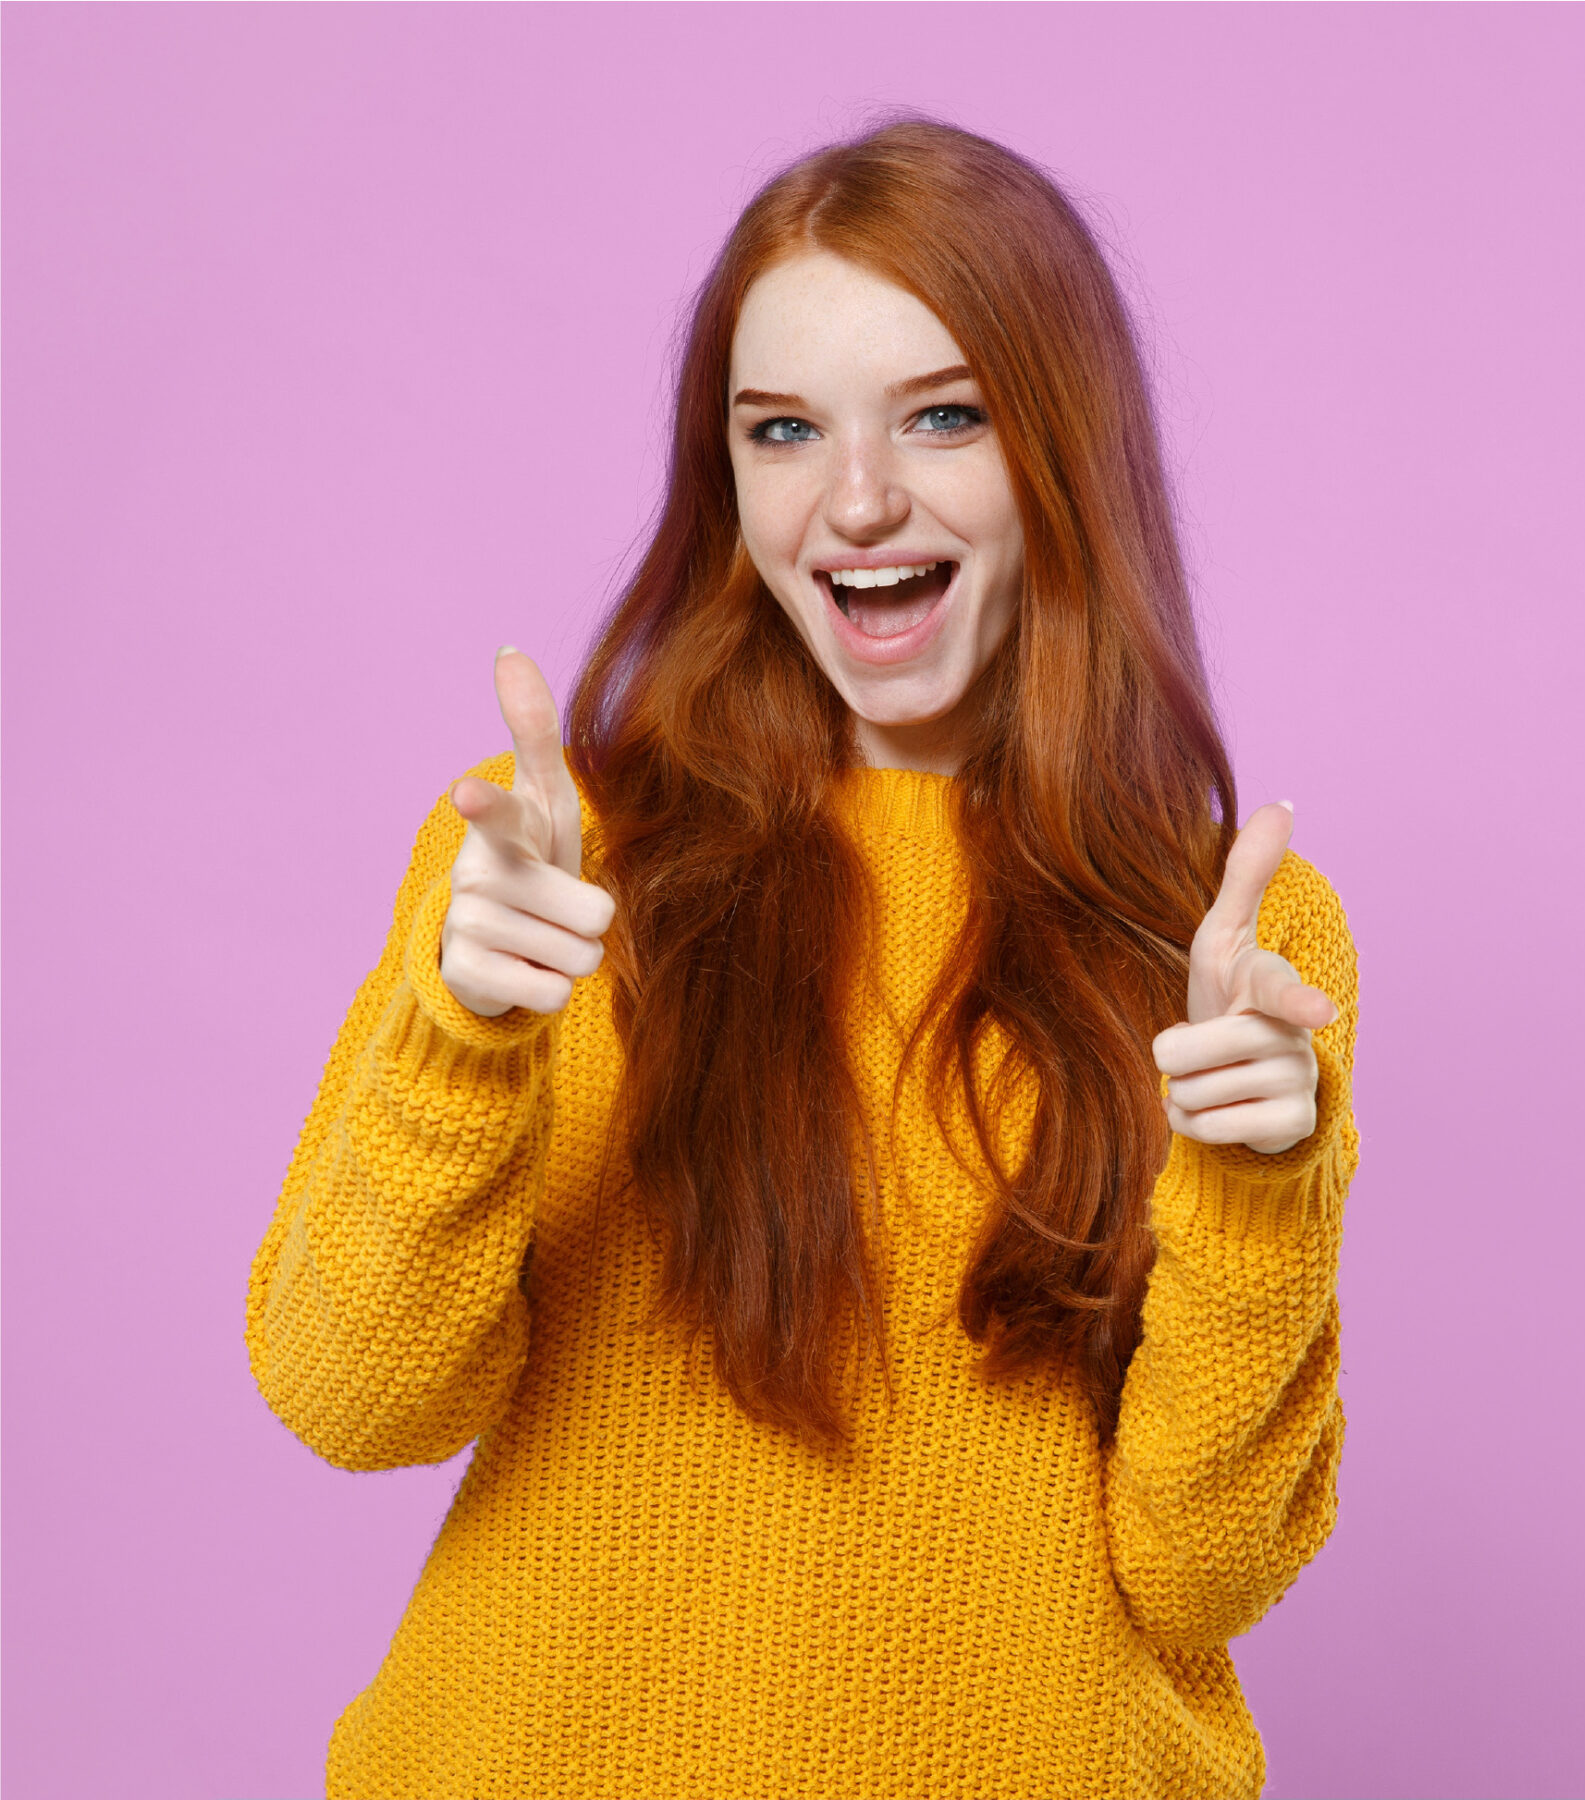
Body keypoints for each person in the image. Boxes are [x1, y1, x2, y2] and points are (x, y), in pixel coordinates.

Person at [245, 117, 1359, 1800]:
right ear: (728, 479)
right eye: (784, 429)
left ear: (1061, 445)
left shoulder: (1235, 941)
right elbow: (355, 1401)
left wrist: (1260, 1199)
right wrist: (461, 1037)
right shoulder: (553, 859)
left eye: (942, 415)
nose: (856, 500)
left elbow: (1204, 1575)